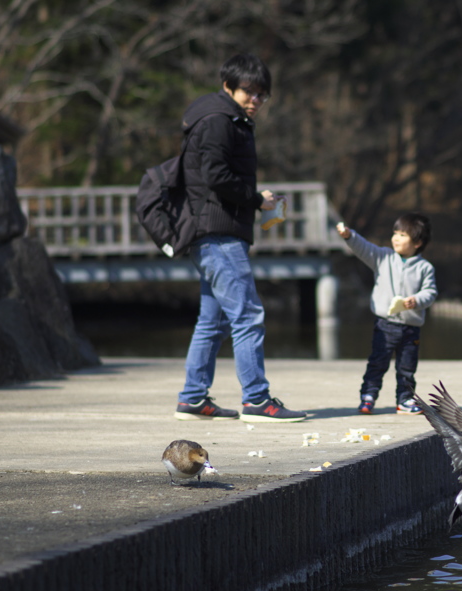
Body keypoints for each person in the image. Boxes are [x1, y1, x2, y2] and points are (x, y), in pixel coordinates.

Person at [173, 54, 306, 423]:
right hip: (217, 233)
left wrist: (255, 199)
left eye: (262, 95)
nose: (256, 100)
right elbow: (215, 176)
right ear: (228, 86)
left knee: (212, 321)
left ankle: (193, 398)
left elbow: (215, 175)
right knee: (248, 315)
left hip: (213, 230)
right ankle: (257, 401)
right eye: (249, 91)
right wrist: (255, 199)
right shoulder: (219, 120)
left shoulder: (224, 118)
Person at [336, 214, 437, 414]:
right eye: (395, 233)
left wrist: (416, 300)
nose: (396, 238)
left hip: (411, 328)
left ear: (417, 242)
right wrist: (349, 236)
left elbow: (431, 292)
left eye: (402, 235)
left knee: (407, 368)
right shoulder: (383, 257)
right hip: (385, 325)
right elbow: (363, 247)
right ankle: (368, 396)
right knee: (377, 363)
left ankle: (405, 400)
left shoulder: (425, 268)